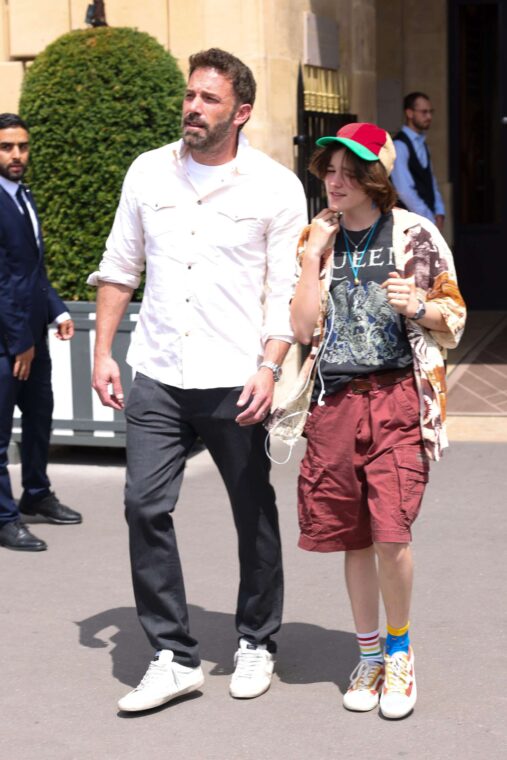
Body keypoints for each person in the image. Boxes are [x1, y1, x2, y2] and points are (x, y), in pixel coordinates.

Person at [88, 48, 307, 712]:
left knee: (251, 511)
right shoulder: (148, 172)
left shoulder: (275, 187)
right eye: (190, 95)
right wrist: (102, 352)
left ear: (241, 111)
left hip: (234, 376)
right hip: (157, 370)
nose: (192, 107)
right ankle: (172, 653)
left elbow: (285, 292)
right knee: (143, 506)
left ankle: (256, 640)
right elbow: (120, 266)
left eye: (209, 99)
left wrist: (269, 368)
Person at [270, 122, 465, 719]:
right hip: (333, 403)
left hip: (397, 399)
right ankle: (369, 654)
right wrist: (310, 261)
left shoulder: (415, 234)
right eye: (329, 170)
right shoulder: (317, 237)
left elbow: (454, 317)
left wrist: (421, 306)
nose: (335, 180)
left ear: (374, 177)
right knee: (352, 536)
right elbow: (302, 330)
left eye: (349, 171)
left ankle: (401, 651)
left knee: (391, 533)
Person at [0, 113, 82, 552]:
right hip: (9, 343)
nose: (16, 154)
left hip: (31, 336)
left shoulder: (22, 195)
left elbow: (30, 270)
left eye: (22, 146)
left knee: (38, 421)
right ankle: (4, 517)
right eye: (7, 147)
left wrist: (56, 310)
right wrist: (21, 343)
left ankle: (36, 494)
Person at [391, 92, 446, 233]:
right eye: (424, 112)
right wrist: (429, 219)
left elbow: (430, 180)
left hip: (425, 222)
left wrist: (439, 211)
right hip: (408, 225)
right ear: (409, 113)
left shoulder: (423, 143)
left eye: (430, 112)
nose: (429, 117)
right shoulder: (399, 145)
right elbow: (404, 190)